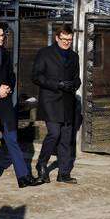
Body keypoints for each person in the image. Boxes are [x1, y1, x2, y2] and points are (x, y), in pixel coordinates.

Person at [0, 25, 40, 188]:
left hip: (5, 104)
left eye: (3, 35)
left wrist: (7, 86)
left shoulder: (6, 54)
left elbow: (11, 76)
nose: (2, 37)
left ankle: (23, 177)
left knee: (12, 139)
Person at [32, 24, 81, 184]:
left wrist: (74, 84)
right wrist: (58, 84)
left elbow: (77, 78)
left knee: (66, 137)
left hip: (68, 101)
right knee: (54, 133)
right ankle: (41, 165)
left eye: (70, 40)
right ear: (57, 37)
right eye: (64, 39)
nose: (67, 42)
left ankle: (64, 173)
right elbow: (37, 76)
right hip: (51, 101)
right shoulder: (44, 53)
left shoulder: (74, 56)